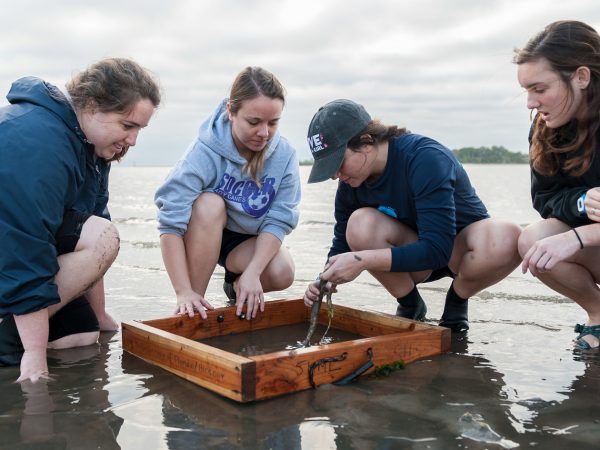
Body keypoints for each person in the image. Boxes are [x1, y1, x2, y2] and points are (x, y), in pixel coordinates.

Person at [0, 58, 161, 382]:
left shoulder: (93, 147)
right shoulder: (39, 143)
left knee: (80, 339)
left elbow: (90, 231)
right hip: (12, 253)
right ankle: (8, 345)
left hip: (20, 255)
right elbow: (22, 245)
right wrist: (32, 355)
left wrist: (99, 316)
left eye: (139, 129)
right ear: (90, 105)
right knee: (34, 354)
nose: (133, 141)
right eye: (127, 126)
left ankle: (22, 329)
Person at [303, 99, 522, 331]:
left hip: (460, 251)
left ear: (366, 142)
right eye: (328, 168)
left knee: (507, 237)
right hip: (413, 256)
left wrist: (363, 260)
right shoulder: (352, 182)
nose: (335, 175)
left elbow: (438, 250)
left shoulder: (425, 158)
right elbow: (341, 244)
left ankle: (457, 300)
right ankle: (410, 304)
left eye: (338, 163)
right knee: (359, 224)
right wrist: (323, 279)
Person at [155, 66, 301, 321]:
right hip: (205, 230)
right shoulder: (203, 152)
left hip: (245, 241)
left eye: (273, 123)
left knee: (282, 271)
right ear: (231, 112)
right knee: (209, 203)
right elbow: (170, 223)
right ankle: (193, 304)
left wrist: (254, 272)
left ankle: (237, 285)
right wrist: (183, 291)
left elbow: (279, 218)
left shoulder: (285, 155)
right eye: (254, 122)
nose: (264, 133)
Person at [515, 20, 600, 349]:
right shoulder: (546, 127)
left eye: (539, 89)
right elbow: (545, 198)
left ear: (581, 77)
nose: (531, 103)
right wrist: (583, 201)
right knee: (535, 239)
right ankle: (598, 315)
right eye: (526, 91)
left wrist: (578, 237)